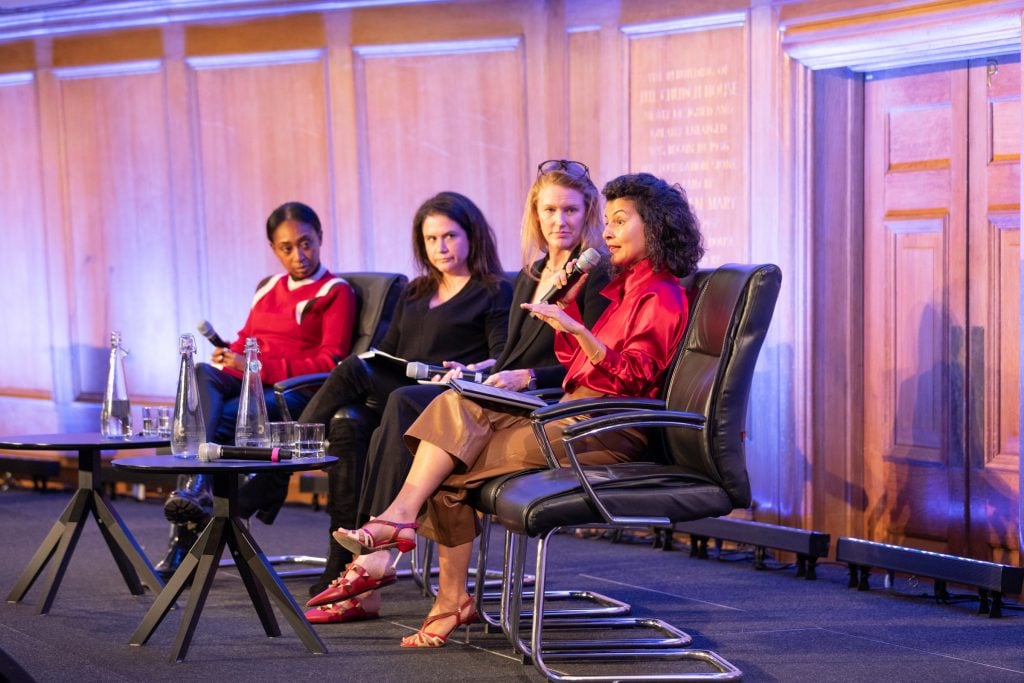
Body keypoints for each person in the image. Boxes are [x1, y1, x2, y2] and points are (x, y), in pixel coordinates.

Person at [325, 171, 704, 647]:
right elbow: (574, 369)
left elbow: (630, 377)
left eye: (619, 221)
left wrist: (573, 327)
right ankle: (404, 528)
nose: (605, 232)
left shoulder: (661, 293)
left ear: (656, 226)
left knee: (449, 462)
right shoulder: (624, 287)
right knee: (455, 406)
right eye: (606, 221)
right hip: (572, 413)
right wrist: (569, 323)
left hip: (604, 428)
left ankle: (436, 583)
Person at [305, 159, 612, 623]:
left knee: (405, 402)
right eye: (549, 210)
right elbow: (509, 353)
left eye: (570, 210)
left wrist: (526, 378)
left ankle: (371, 561)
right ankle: (371, 561)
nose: (559, 221)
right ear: (536, 213)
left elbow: (592, 361)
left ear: (589, 211)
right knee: (397, 403)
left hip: (542, 403)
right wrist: (478, 372)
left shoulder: (594, 273)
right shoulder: (530, 273)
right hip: (500, 392)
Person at [285, 190, 513, 601]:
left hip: (446, 399)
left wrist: (470, 369)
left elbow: (500, 359)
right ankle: (345, 561)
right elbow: (387, 351)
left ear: (472, 236)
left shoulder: (491, 290)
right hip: (401, 392)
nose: (441, 247)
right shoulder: (415, 292)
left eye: (450, 236)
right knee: (350, 422)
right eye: (431, 239)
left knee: (356, 371)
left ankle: (286, 459)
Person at [155, 201, 357, 579]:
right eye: (287, 248)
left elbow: (332, 362)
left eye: (306, 243)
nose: (299, 255)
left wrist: (255, 367)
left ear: (320, 239)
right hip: (251, 380)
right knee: (200, 376)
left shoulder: (336, 291)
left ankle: (184, 536)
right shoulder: (267, 288)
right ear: (273, 248)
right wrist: (231, 353)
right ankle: (195, 492)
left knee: (219, 420)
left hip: (291, 390)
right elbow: (249, 338)